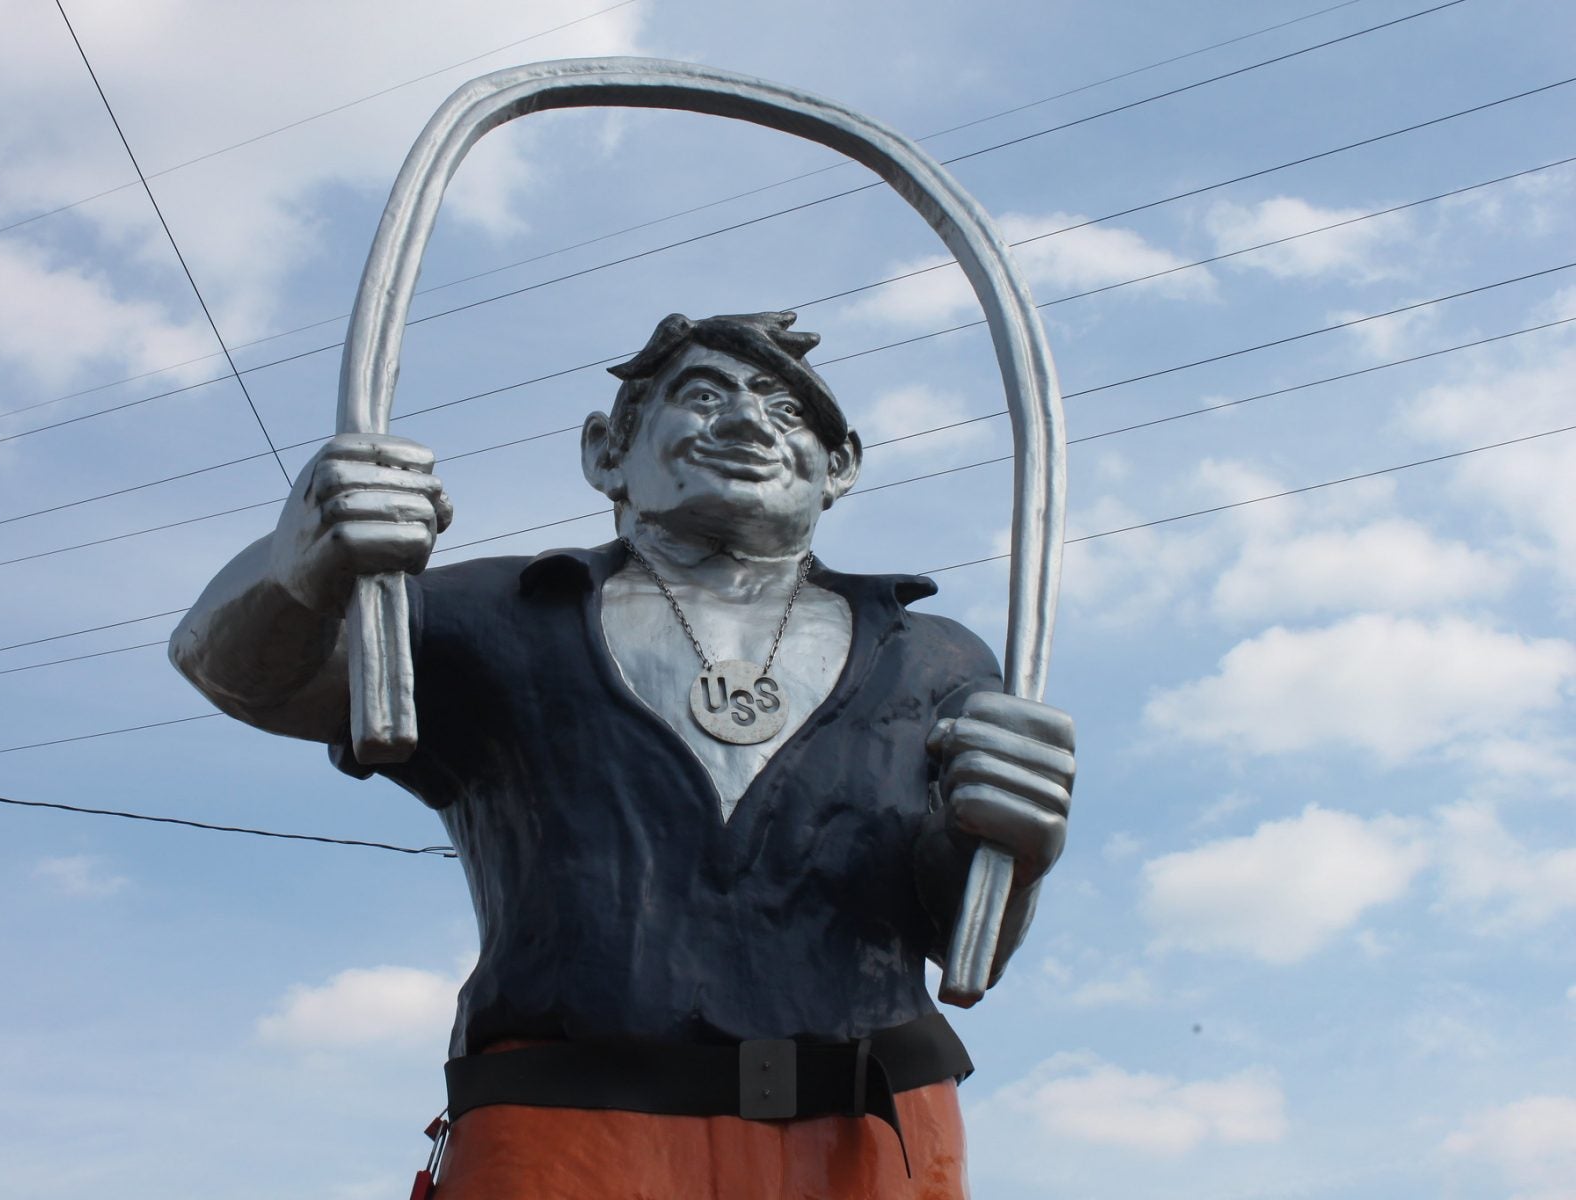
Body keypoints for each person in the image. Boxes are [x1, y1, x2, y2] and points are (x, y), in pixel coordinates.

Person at [170, 311, 1075, 1199]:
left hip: (874, 1133)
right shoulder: (498, 615)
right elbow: (244, 675)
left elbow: (972, 947)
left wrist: (1019, 851)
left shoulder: (933, 657)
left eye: (786, 408)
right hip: (569, 1122)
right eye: (701, 394)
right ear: (607, 450)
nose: (747, 422)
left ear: (839, 466)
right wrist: (298, 561)